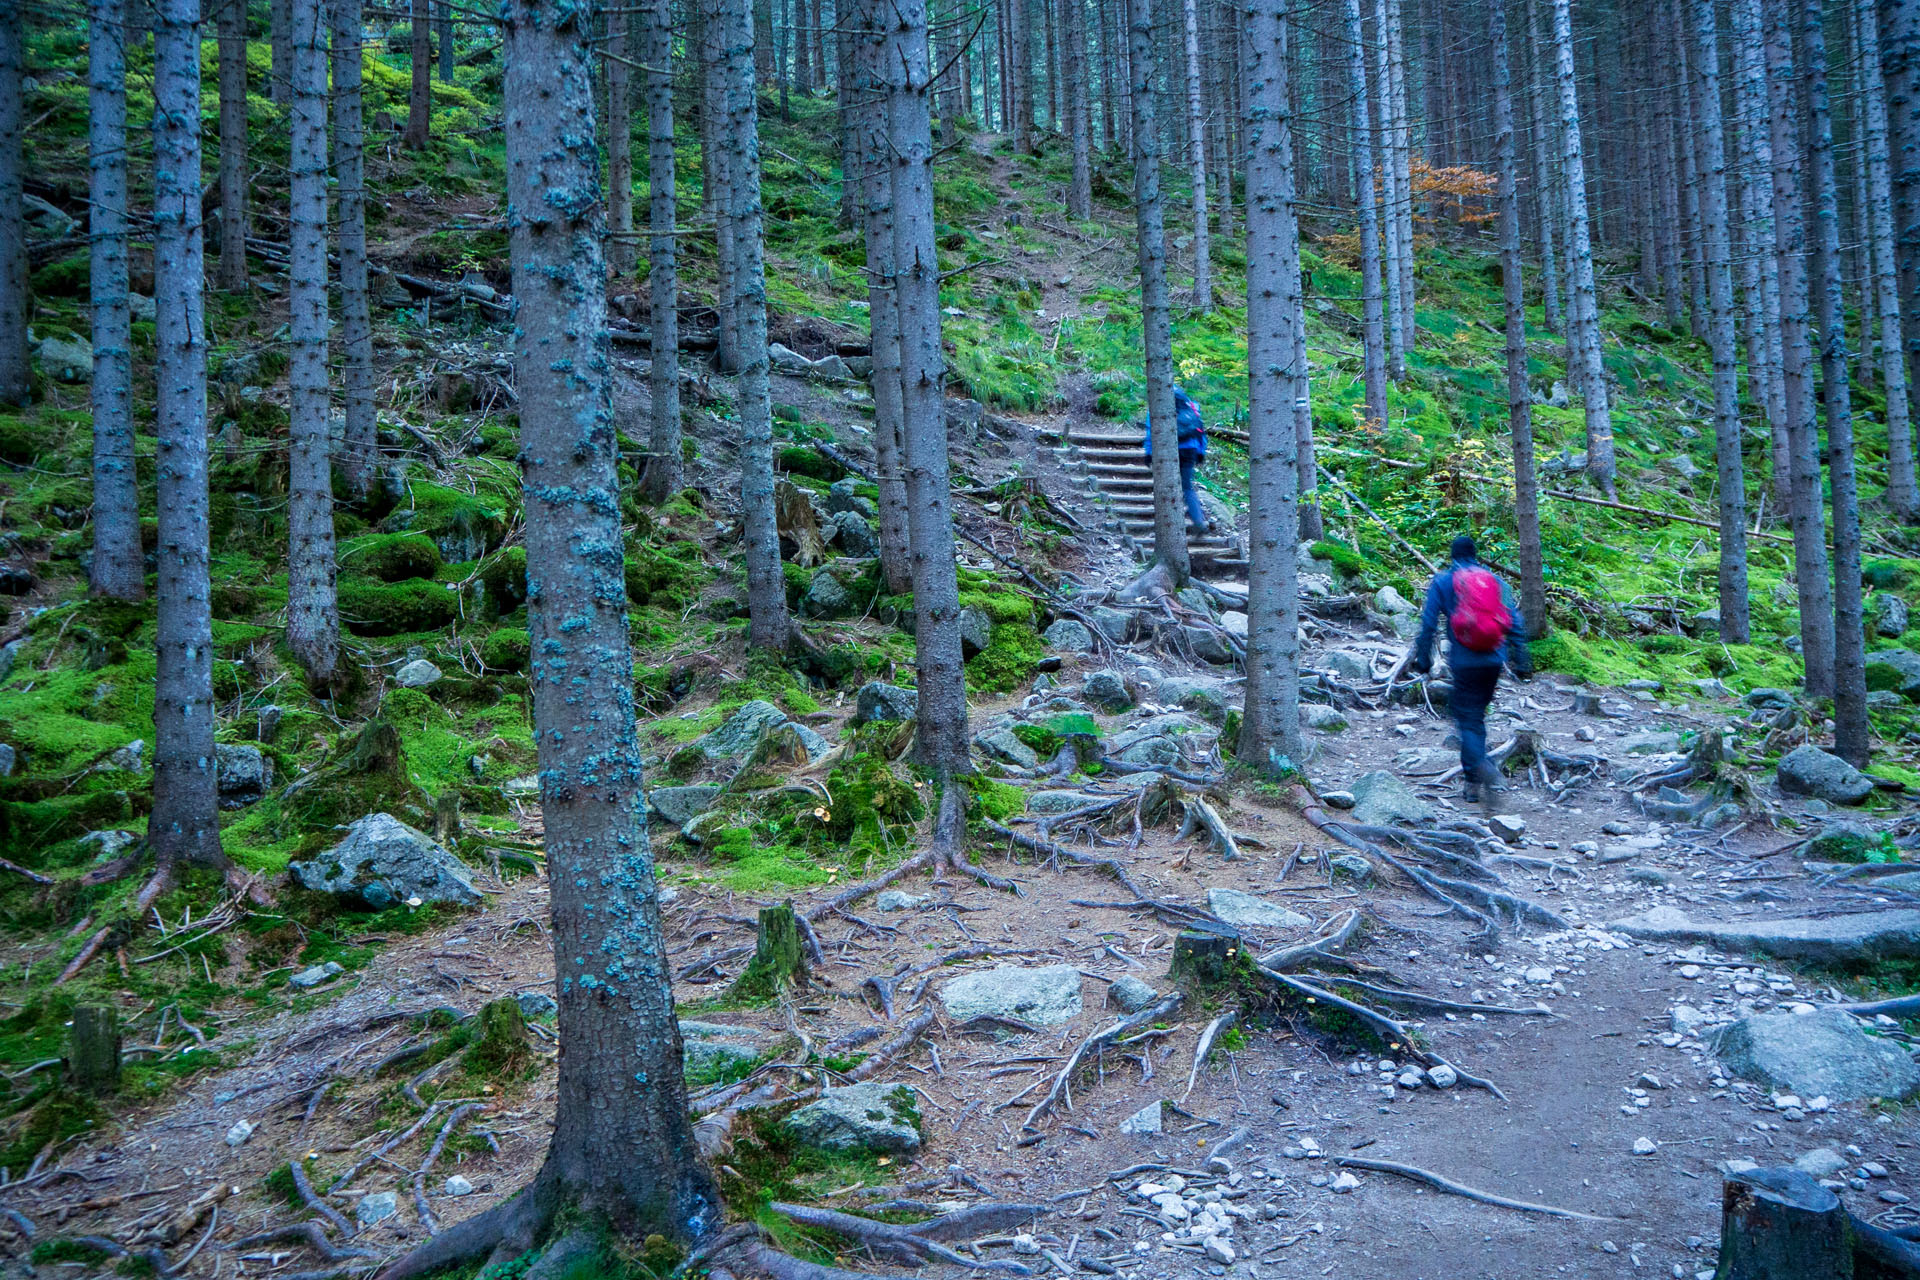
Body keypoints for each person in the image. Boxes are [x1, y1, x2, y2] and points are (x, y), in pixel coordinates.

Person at [1411, 535, 1533, 807]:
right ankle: (1472, 786)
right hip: (1493, 659)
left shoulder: (1443, 581)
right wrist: (1522, 659)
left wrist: (1423, 659)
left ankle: (1481, 766)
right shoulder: (1495, 582)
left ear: (1453, 556)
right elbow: (1514, 621)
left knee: (1467, 720)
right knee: (1476, 717)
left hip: (1464, 661)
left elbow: (1429, 622)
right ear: (1475, 555)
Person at [1142, 386, 1209, 537]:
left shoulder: (1156, 407)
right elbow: (1200, 429)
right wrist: (1201, 451)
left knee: (1167, 486)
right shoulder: (1192, 406)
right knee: (1187, 487)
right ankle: (1198, 521)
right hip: (1190, 450)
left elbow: (1150, 431)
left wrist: (1149, 452)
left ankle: (1169, 526)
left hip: (1168, 450)